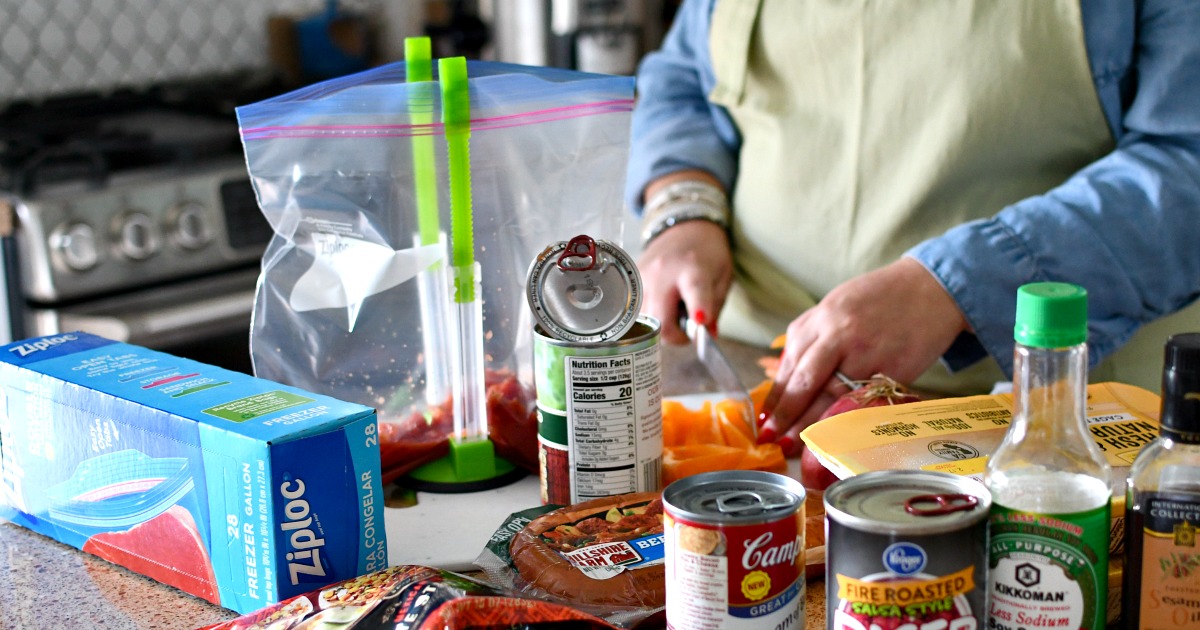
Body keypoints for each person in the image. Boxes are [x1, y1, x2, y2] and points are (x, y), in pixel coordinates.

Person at [625, 0, 1200, 457]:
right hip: (748, 375)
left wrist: (951, 286)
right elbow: (683, 78)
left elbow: (1186, 164)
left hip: (1046, 419)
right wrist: (683, 204)